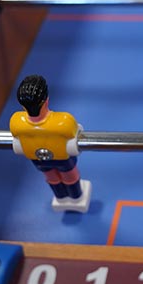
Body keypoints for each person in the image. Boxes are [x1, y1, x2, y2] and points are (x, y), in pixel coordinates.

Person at [9, 74, 91, 213]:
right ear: (46, 100)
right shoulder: (64, 121)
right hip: (63, 159)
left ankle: (61, 197)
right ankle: (76, 197)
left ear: (22, 105)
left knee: (51, 176)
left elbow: (17, 137)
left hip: (38, 159)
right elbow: (75, 133)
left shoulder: (15, 122)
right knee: (69, 176)